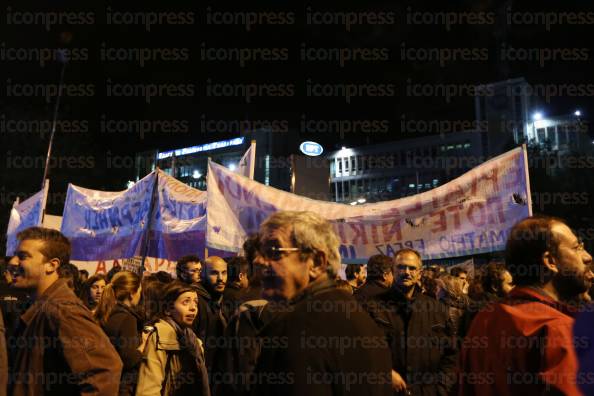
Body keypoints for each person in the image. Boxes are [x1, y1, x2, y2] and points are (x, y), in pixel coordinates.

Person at [251, 211, 393, 395]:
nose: (258, 260)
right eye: (261, 252)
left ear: (316, 263)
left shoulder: (297, 328)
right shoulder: (358, 317)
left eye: (274, 251)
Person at [459, 216, 594, 395]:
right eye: (577, 248)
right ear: (550, 261)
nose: (587, 257)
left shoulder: (483, 320)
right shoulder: (558, 329)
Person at [10, 227, 122, 395]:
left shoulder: (63, 310)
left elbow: (105, 372)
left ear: (51, 265)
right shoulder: (42, 306)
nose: (13, 262)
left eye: (23, 256)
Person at [363, 248, 457, 396]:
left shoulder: (437, 309)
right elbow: (360, 350)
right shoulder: (372, 307)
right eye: (401, 267)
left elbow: (451, 355)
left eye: (412, 268)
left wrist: (441, 388)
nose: (406, 272)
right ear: (392, 271)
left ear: (419, 273)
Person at [135, 281, 210, 396]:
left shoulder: (193, 341)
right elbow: (148, 389)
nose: (193, 308)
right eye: (186, 302)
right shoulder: (160, 337)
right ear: (168, 310)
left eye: (195, 302)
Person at [95, 271, 148, 396]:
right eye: (139, 291)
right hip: (121, 387)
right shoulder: (127, 319)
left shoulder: (104, 312)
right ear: (131, 294)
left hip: (103, 383)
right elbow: (128, 359)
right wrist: (144, 344)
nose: (140, 295)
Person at [193, 256, 228, 371]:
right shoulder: (195, 300)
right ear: (202, 275)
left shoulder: (220, 300)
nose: (220, 278)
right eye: (214, 273)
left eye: (224, 273)